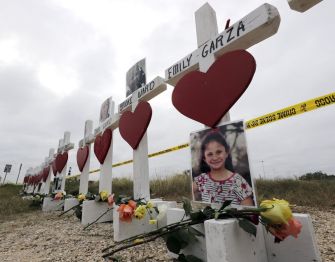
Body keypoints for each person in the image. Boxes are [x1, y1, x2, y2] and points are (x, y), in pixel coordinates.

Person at [193, 130, 254, 206]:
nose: (215, 157)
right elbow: (187, 196)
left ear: (226, 153)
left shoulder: (238, 181)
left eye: (218, 152)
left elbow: (249, 212)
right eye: (210, 154)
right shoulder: (201, 180)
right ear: (204, 159)